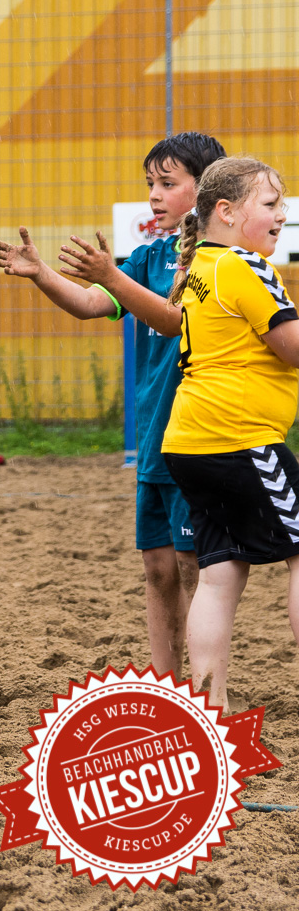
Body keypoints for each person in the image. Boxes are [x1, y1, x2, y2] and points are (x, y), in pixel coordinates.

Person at [0, 131, 226, 680]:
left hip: (199, 438)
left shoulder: (222, 263)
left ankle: (208, 689)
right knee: (160, 569)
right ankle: (168, 687)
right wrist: (42, 273)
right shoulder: (149, 256)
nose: (154, 196)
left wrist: (112, 274)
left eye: (168, 184)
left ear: (208, 192)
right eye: (150, 184)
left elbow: (175, 319)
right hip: (154, 442)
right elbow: (92, 304)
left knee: (197, 569)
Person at [159, 157, 299, 711]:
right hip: (239, 438)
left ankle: (210, 706)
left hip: (190, 442)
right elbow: (290, 348)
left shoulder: (200, 267)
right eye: (270, 205)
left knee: (220, 572)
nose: (281, 215)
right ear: (225, 211)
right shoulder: (244, 265)